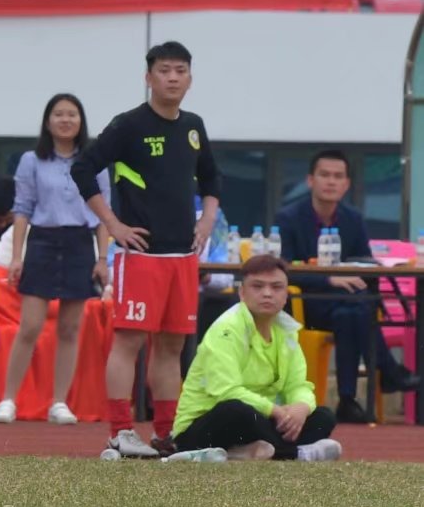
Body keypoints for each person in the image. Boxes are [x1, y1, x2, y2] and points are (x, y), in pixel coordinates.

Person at [71, 41, 220, 459]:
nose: (173, 78)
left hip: (182, 258)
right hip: (142, 256)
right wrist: (113, 224)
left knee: (172, 347)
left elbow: (212, 180)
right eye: (164, 70)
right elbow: (82, 168)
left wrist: (206, 220)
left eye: (180, 71)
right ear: (148, 77)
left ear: (190, 77)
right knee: (129, 341)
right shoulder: (128, 125)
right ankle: (120, 431)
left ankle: (166, 433)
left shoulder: (193, 126)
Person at [273, 149, 420, 423]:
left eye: (338, 176)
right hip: (309, 302)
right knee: (357, 309)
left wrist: (363, 272)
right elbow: (285, 270)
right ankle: (387, 372)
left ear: (347, 184)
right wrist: (330, 278)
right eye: (324, 175)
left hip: (348, 304)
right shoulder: (289, 218)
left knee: (350, 313)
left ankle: (348, 401)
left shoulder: (353, 218)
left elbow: (364, 261)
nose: (331, 182)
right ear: (310, 180)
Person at [0, 94, 112, 426]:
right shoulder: (32, 160)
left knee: (71, 329)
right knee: (29, 326)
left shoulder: (93, 161)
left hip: (79, 243)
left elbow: (103, 214)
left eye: (72, 114)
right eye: (58, 114)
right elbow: (22, 210)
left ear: (80, 121)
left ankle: (59, 402)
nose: (65, 120)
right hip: (43, 241)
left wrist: (103, 258)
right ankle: (8, 400)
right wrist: (17, 256)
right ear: (48, 121)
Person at [172, 256, 342, 462]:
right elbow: (226, 391)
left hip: (262, 417)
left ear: (286, 294)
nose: (267, 293)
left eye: (277, 287)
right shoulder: (226, 329)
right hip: (203, 427)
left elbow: (299, 385)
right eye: (258, 286)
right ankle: (295, 454)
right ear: (242, 293)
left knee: (323, 416)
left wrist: (300, 408)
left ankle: (244, 452)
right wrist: (275, 411)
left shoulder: (287, 331)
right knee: (237, 411)